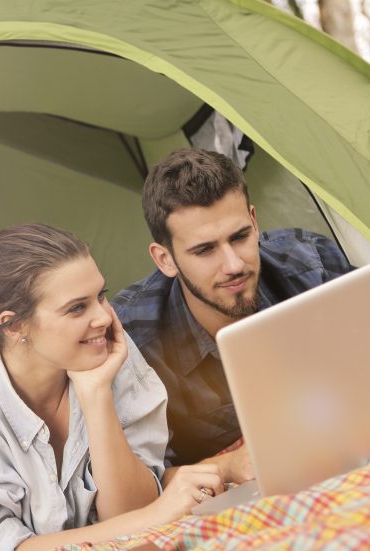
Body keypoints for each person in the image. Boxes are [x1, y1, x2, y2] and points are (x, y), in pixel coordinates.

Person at [0, 223, 223, 551]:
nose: (103, 316)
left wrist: (96, 394)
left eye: (101, 295)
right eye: (76, 308)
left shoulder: (104, 347)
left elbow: (131, 510)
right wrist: (150, 518)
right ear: (13, 325)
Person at [113, 149, 354, 483]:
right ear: (165, 259)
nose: (234, 265)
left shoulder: (311, 262)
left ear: (255, 222)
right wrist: (226, 467)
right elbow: (143, 478)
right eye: (205, 250)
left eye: (240, 237)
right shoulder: (133, 337)